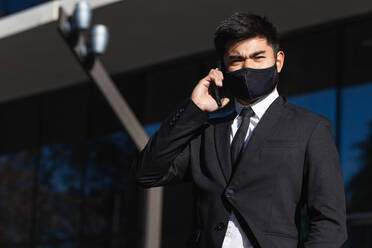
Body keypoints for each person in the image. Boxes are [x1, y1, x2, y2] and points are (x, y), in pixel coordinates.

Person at [133, 12, 347, 248]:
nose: (248, 68)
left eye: (258, 58)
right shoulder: (207, 132)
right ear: (222, 68)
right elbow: (146, 173)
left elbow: (329, 223)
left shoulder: (310, 128)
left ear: (278, 61)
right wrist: (194, 110)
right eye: (236, 60)